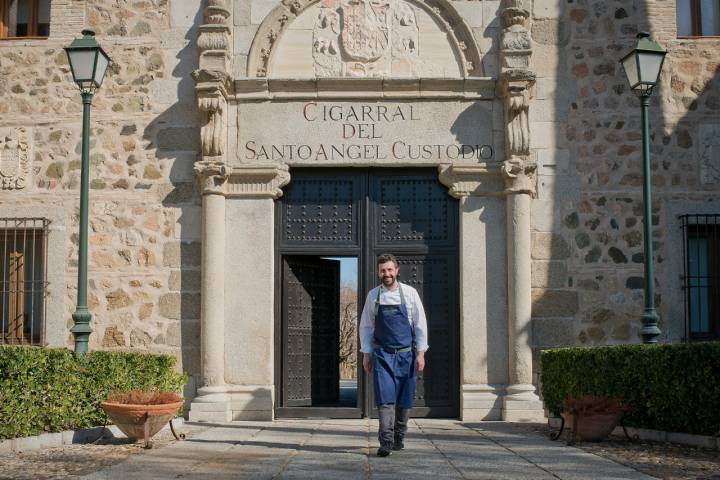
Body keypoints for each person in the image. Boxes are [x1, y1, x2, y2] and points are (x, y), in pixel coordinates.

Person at [359, 253, 428, 457]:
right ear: (378, 272)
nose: (386, 273)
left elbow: (420, 324)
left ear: (397, 271)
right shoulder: (373, 296)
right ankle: (386, 441)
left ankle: (399, 435)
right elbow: (366, 327)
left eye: (390, 269)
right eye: (383, 270)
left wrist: (421, 353)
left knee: (404, 400)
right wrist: (366, 354)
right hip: (382, 355)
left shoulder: (410, 294)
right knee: (385, 399)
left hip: (406, 355)